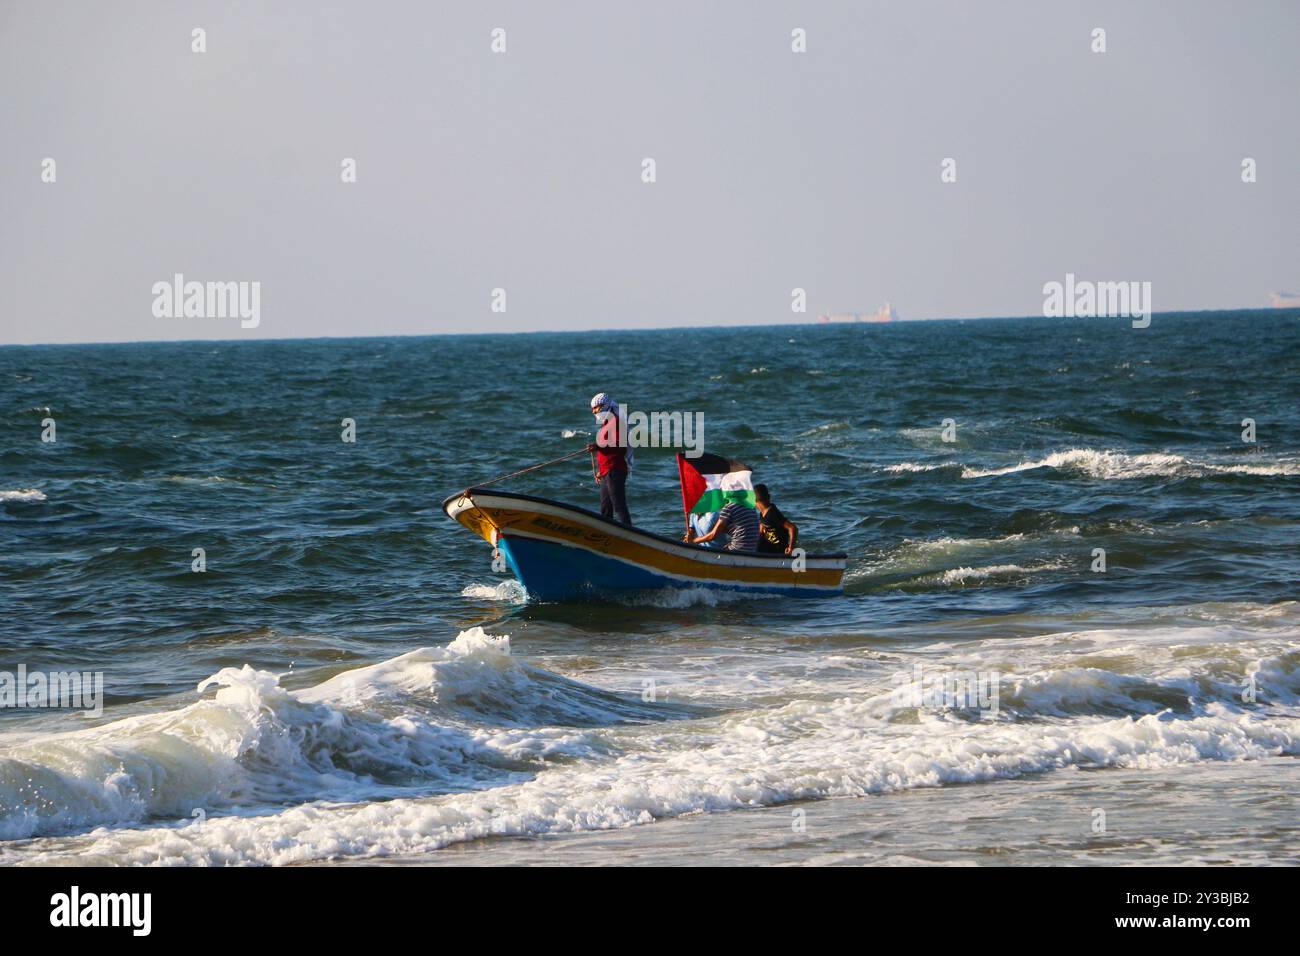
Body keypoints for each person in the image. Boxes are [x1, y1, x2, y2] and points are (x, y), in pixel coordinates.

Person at [585, 392, 632, 524]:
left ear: (604, 406)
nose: (593, 411)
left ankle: (629, 533)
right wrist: (600, 470)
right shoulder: (606, 424)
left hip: (615, 470)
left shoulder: (616, 421)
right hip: (607, 471)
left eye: (596, 408)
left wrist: (598, 446)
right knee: (605, 508)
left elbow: (620, 446)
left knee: (619, 505)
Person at [685, 498, 759, 552]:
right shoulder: (693, 515)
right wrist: (689, 536)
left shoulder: (714, 515)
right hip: (701, 549)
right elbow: (691, 530)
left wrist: (694, 541)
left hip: (718, 550)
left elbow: (715, 534)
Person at [754, 484, 798, 555]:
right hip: (770, 546)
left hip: (779, 549)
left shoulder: (772, 513)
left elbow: (793, 528)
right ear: (768, 497)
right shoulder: (762, 513)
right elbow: (761, 531)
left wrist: (791, 548)